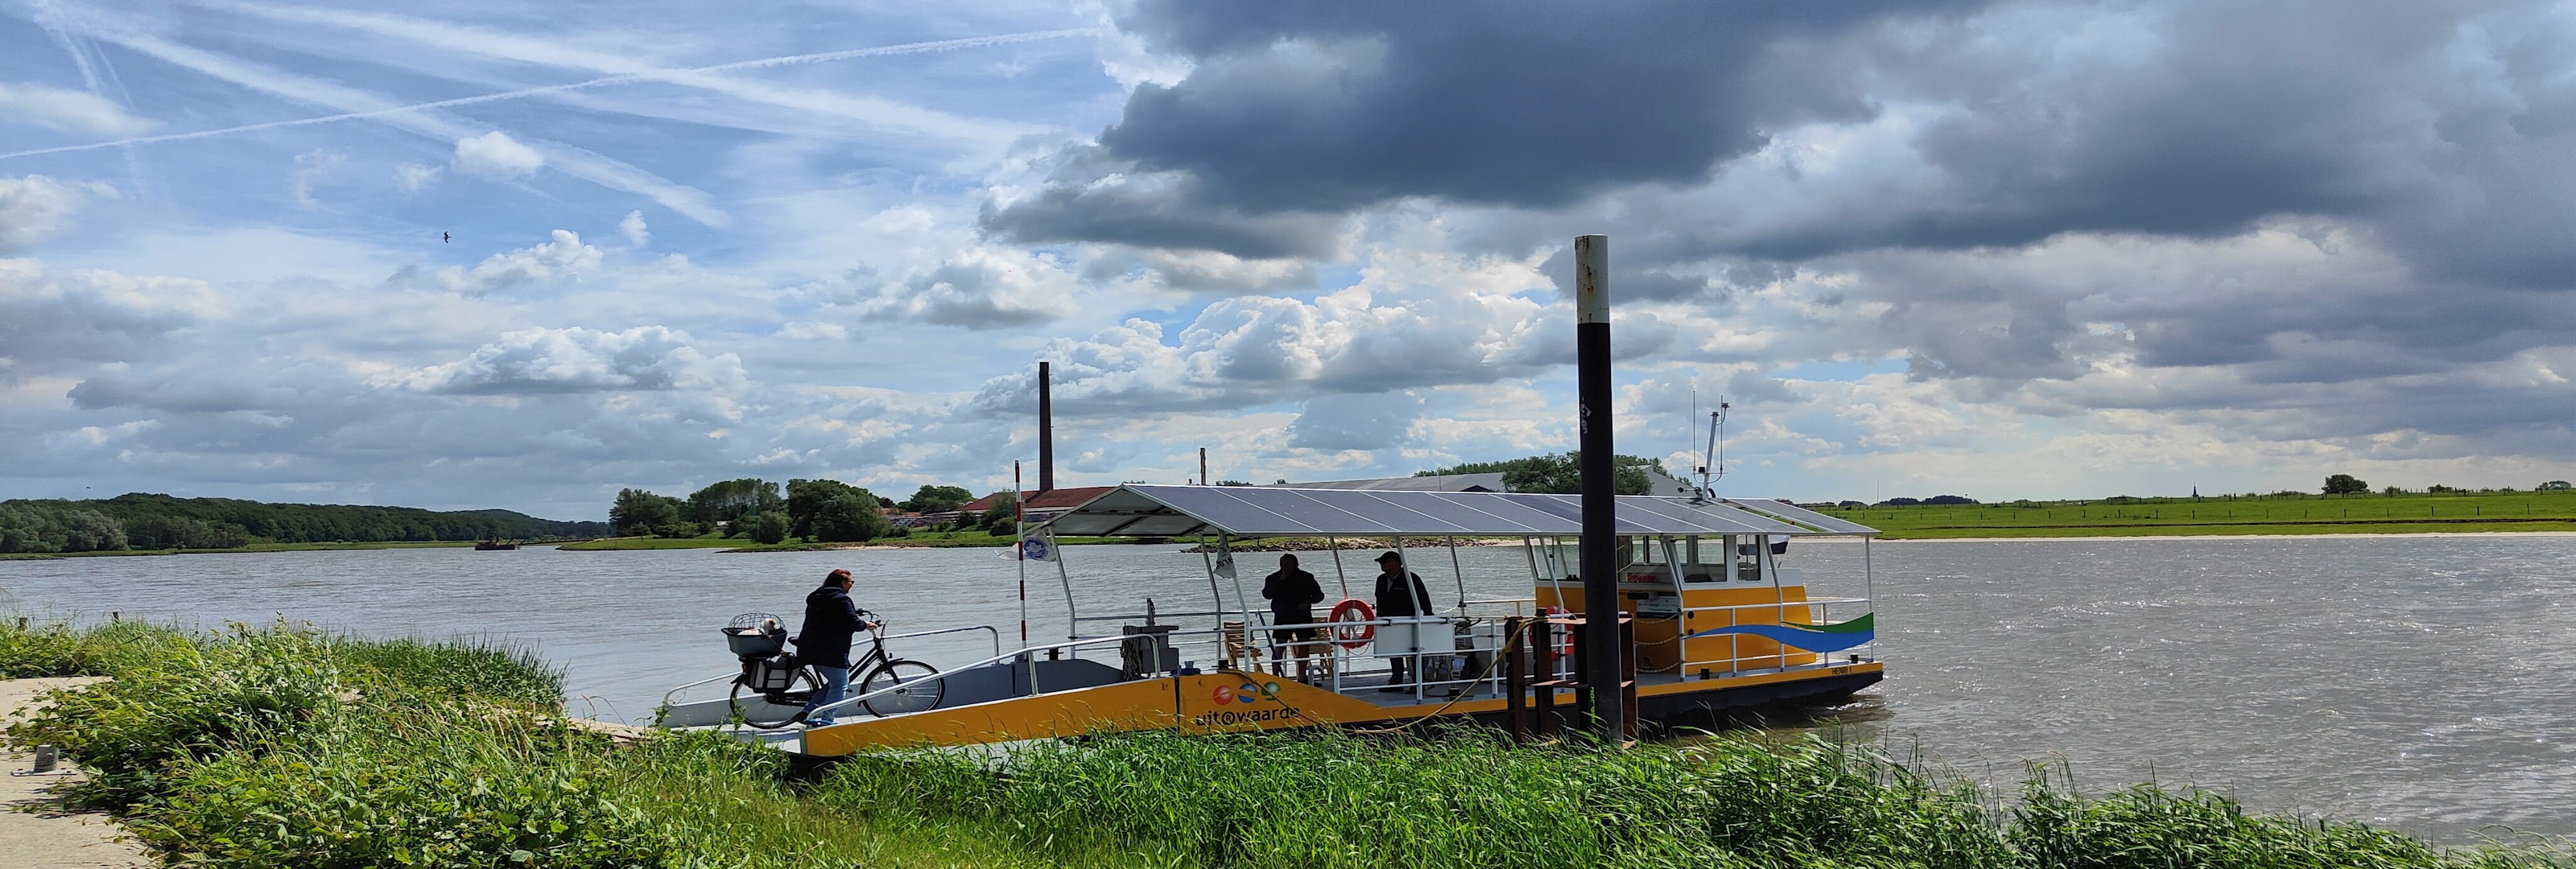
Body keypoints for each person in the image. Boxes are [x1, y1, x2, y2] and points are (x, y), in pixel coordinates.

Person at [793, 568, 879, 727]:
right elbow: (851, 623)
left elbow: (833, 617)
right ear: (842, 583)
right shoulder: (841, 599)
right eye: (851, 582)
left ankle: (807, 712)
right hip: (830, 650)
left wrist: (855, 614)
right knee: (840, 685)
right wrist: (865, 624)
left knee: (834, 683)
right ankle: (826, 721)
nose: (852, 585)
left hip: (810, 647)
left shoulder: (818, 596)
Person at [1372, 550, 1435, 691]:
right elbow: (1379, 599)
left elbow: (1423, 598)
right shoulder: (1381, 580)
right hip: (1388, 621)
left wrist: (1428, 615)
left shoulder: (1411, 578)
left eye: (1383, 562)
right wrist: (1379, 618)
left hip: (1409, 621)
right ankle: (1396, 681)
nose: (1381, 566)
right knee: (1393, 651)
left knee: (1415, 652)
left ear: (1394, 563)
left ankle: (1418, 683)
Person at [1261, 554, 1326, 679]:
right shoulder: (1273, 578)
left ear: (1296, 564)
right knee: (1280, 646)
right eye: (1282, 564)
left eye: (1288, 564)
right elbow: (1267, 595)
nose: (1285, 567)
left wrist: (1308, 601)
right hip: (1282, 616)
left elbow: (1319, 595)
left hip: (1302, 615)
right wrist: (1280, 581)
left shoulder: (1306, 578)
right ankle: (1276, 677)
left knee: (1304, 646)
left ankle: (1302, 677)